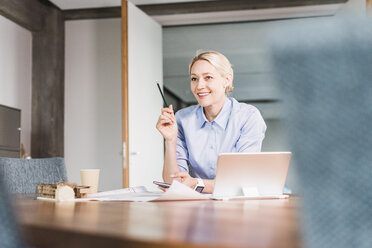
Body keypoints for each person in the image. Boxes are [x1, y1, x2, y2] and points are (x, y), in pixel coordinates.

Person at [156, 51, 266, 193]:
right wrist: (170, 141)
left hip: (235, 204)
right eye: (194, 79)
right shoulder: (182, 119)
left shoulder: (248, 117)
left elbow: (243, 181)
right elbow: (173, 182)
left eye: (208, 77)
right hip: (195, 206)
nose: (199, 86)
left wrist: (197, 183)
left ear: (227, 79)